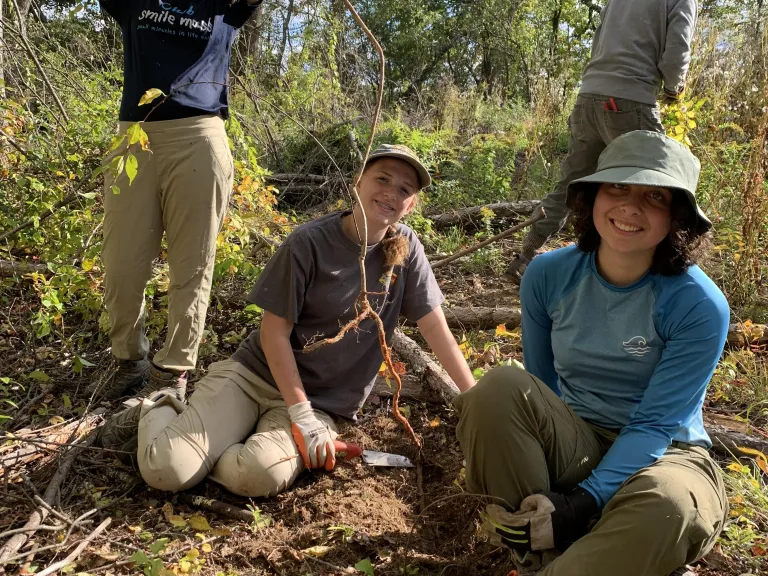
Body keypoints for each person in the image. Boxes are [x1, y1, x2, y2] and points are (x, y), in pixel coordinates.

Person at [95, 144, 477, 497]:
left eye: (404, 189)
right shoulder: (309, 243)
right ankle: (160, 408)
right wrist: (301, 417)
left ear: (410, 205)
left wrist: (474, 399)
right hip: (253, 378)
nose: (391, 192)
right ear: (358, 182)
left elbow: (434, 327)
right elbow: (274, 333)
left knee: (258, 475)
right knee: (167, 470)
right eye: (383, 179)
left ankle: (212, 445)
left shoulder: (407, 251)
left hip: (323, 403)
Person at [454, 131, 729, 576]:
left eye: (655, 196)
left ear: (677, 216)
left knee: (670, 505)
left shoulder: (698, 304)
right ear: (593, 196)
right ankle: (537, 553)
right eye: (618, 186)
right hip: (577, 439)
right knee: (498, 388)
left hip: (666, 454)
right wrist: (566, 490)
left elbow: (656, 423)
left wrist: (584, 501)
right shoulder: (548, 275)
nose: (630, 207)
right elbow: (542, 387)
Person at [89, 0, 262, 401]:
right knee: (121, 265)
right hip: (134, 138)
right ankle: (129, 360)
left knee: (192, 265)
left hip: (198, 139)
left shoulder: (225, 6)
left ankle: (173, 370)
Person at [504, 0, 698, 283]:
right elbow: (676, 51)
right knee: (661, 186)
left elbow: (599, 41)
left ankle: (525, 256)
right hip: (631, 99)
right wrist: (673, 88)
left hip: (589, 97)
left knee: (571, 184)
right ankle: (662, 273)